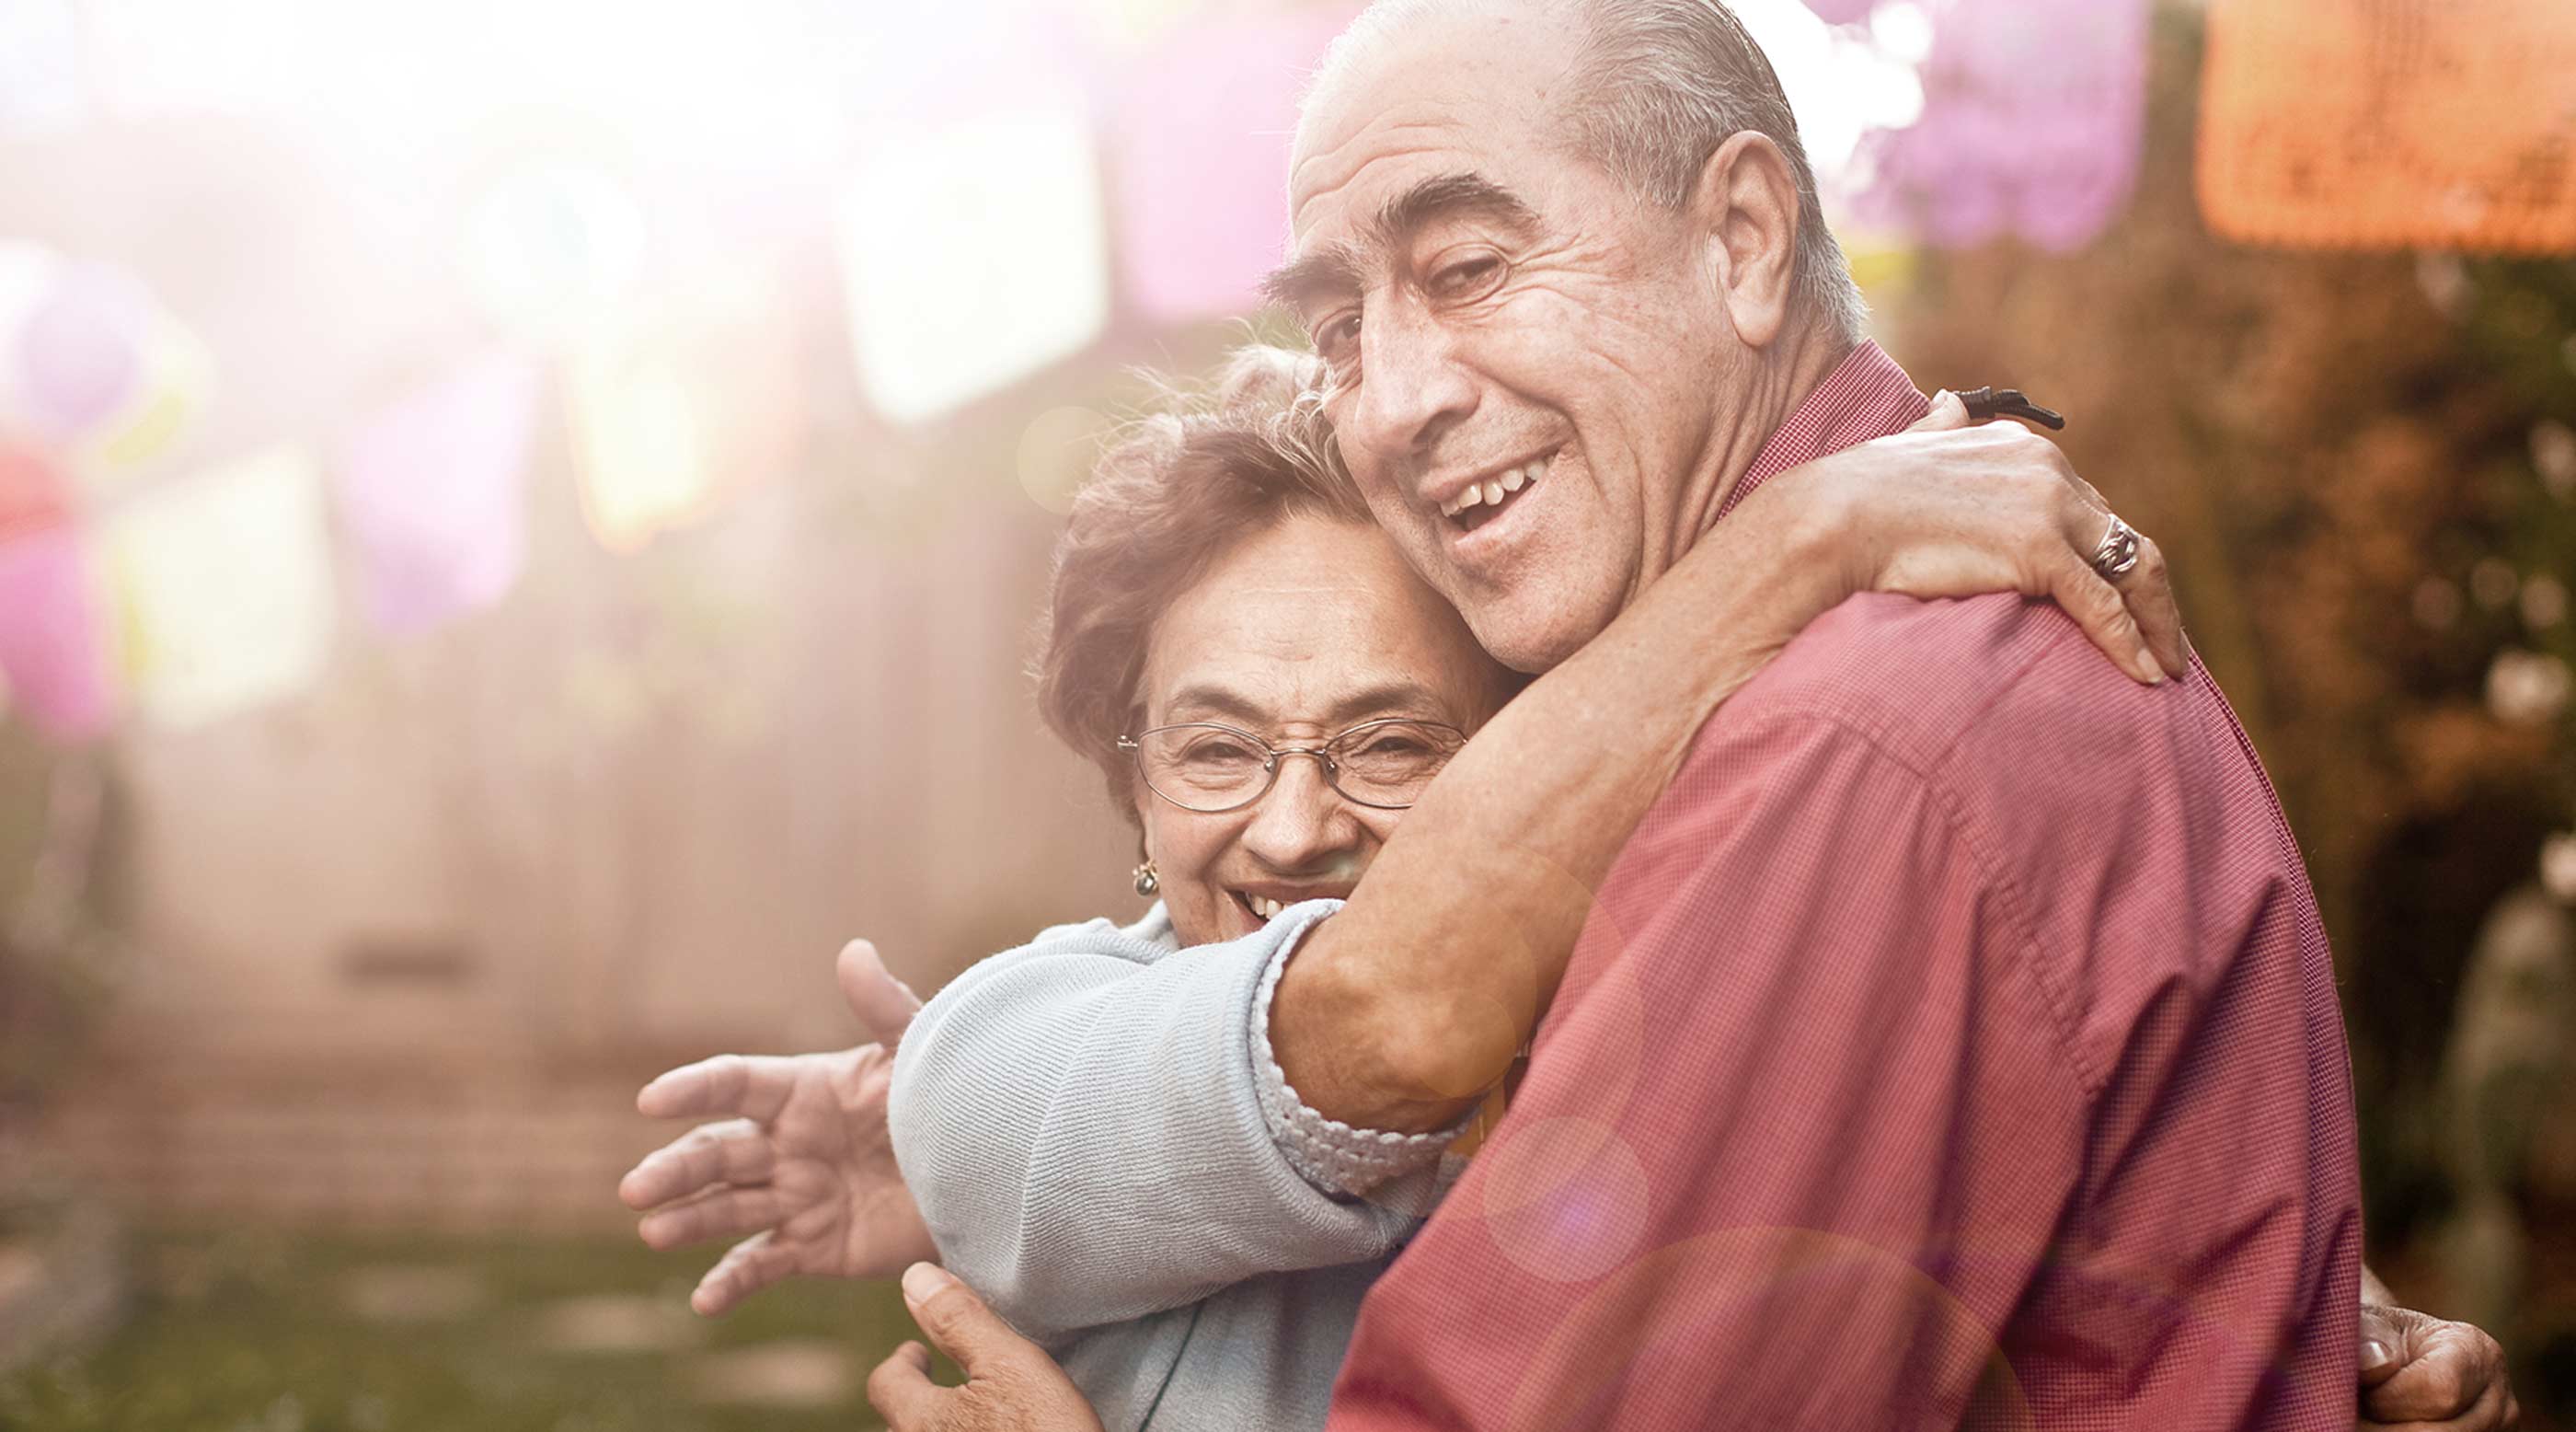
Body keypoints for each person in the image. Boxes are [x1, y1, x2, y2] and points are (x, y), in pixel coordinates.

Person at [847, 0, 2521, 1427]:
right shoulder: (1828, 664)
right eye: (1347, 326)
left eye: (1474, 264)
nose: (1404, 394)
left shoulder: (1849, 748)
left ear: (1742, 238)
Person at [627, 347, 2182, 1430]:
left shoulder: (1675, 1051)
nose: (1293, 826)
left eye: (1391, 743)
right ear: (1132, 779)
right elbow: (1381, 1020)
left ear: (1538, 750)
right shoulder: (984, 1064)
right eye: (1216, 748)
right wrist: (1819, 529)